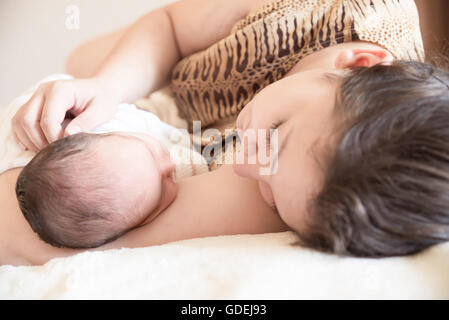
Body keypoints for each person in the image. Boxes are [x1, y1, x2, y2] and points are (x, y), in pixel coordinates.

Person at [2, 0, 448, 266]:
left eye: (271, 194)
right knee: (84, 57)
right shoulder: (312, 17)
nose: (246, 165)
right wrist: (106, 86)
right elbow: (171, 27)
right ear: (357, 62)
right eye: (274, 137)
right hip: (181, 66)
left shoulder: (316, 183)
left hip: (166, 110)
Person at [14, 99, 209, 249]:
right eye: (162, 189)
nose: (170, 164)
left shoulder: (112, 123)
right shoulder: (140, 204)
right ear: (143, 223)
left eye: (150, 152)